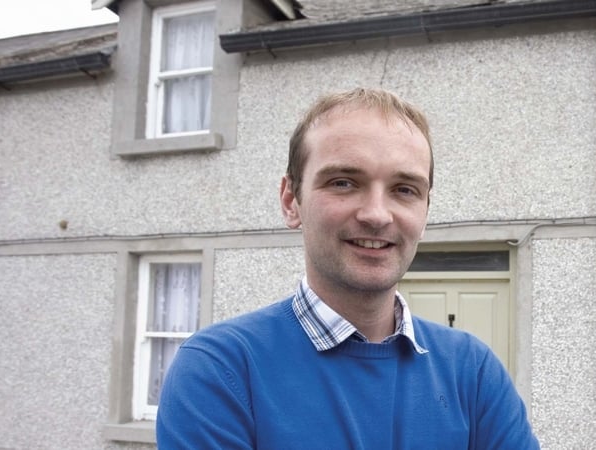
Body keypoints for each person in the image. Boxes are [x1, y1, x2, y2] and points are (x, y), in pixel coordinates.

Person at [156, 88, 540, 449]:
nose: (376, 214)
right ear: (292, 201)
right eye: (343, 182)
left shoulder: (472, 372)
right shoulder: (220, 370)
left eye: (405, 189)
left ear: (424, 214)